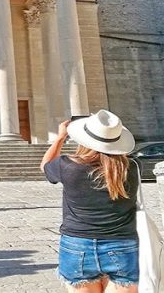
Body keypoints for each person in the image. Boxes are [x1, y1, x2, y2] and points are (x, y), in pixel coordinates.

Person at [40, 111, 139, 293]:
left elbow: (45, 165)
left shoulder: (67, 166)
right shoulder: (131, 168)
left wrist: (60, 137)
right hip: (121, 244)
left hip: (77, 244)